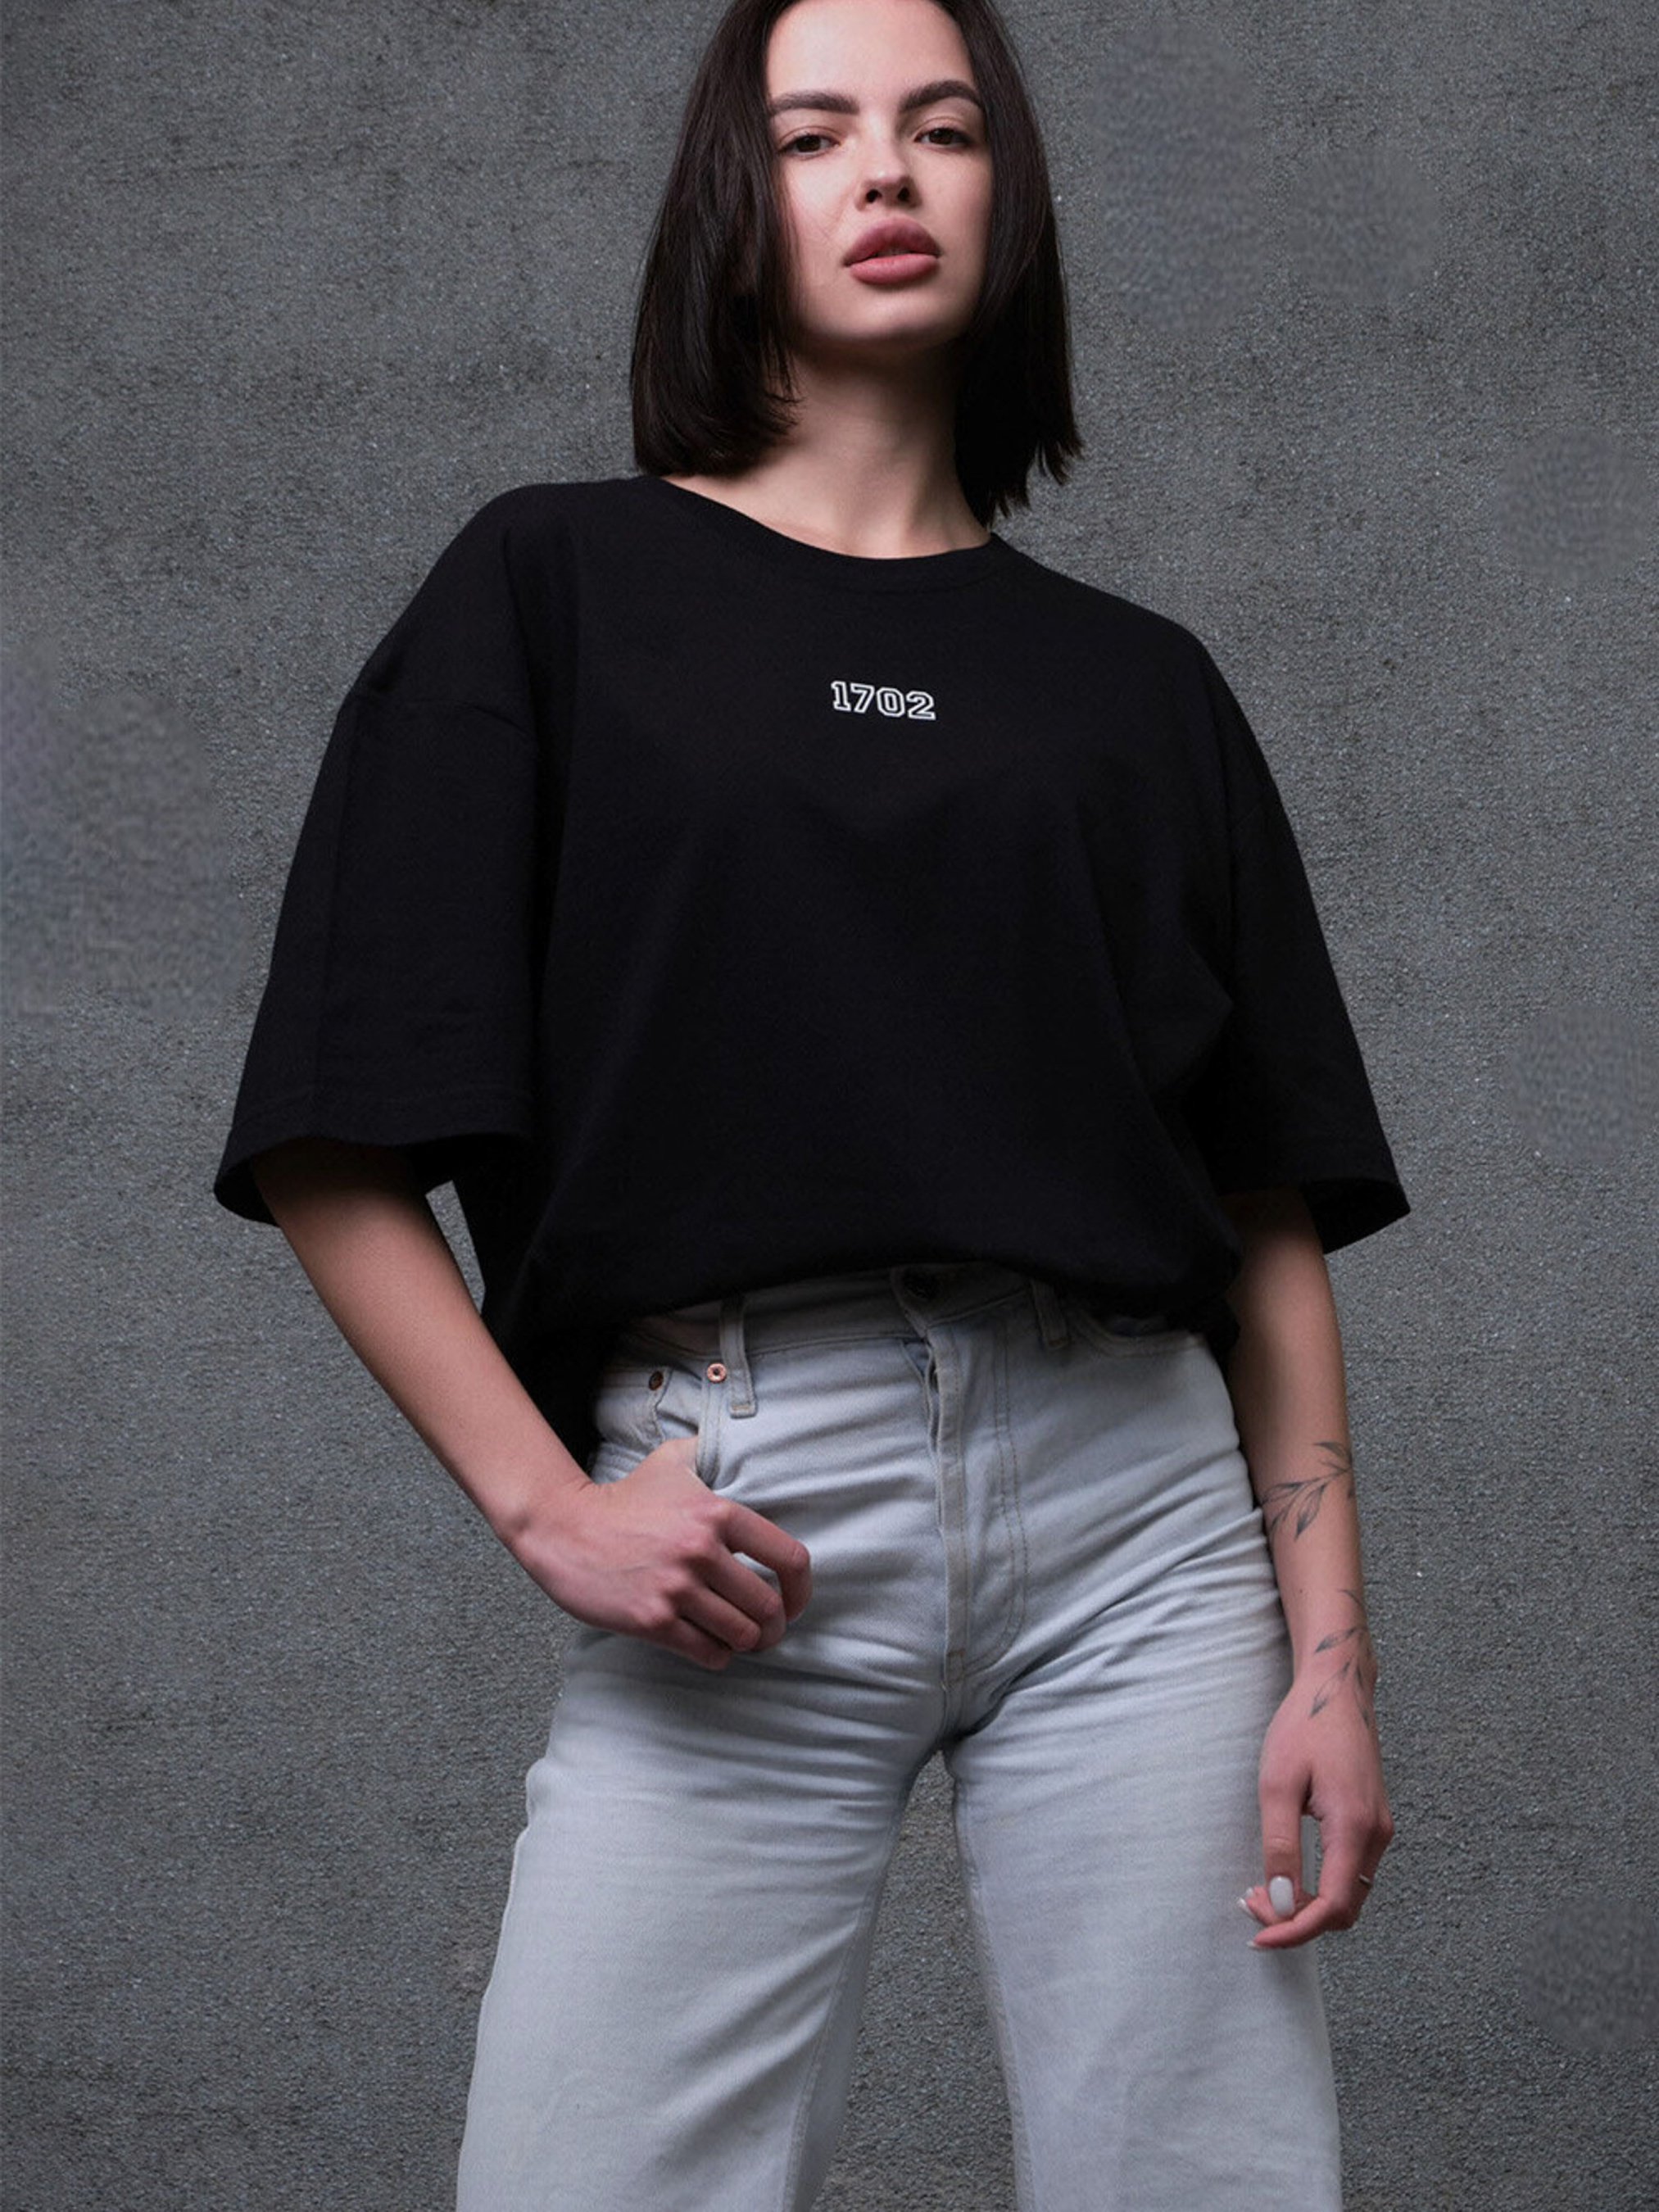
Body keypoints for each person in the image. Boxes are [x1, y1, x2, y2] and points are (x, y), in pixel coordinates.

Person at [215, 0, 1407, 2204]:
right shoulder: (552, 584)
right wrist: (546, 1504)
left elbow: (1262, 1210)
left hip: (1144, 1526)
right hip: (749, 1495)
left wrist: (1328, 1660)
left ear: (1004, 200)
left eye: (943, 128)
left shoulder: (1140, 687)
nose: (885, 171)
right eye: (814, 132)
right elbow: (330, 1134)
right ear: (729, 202)